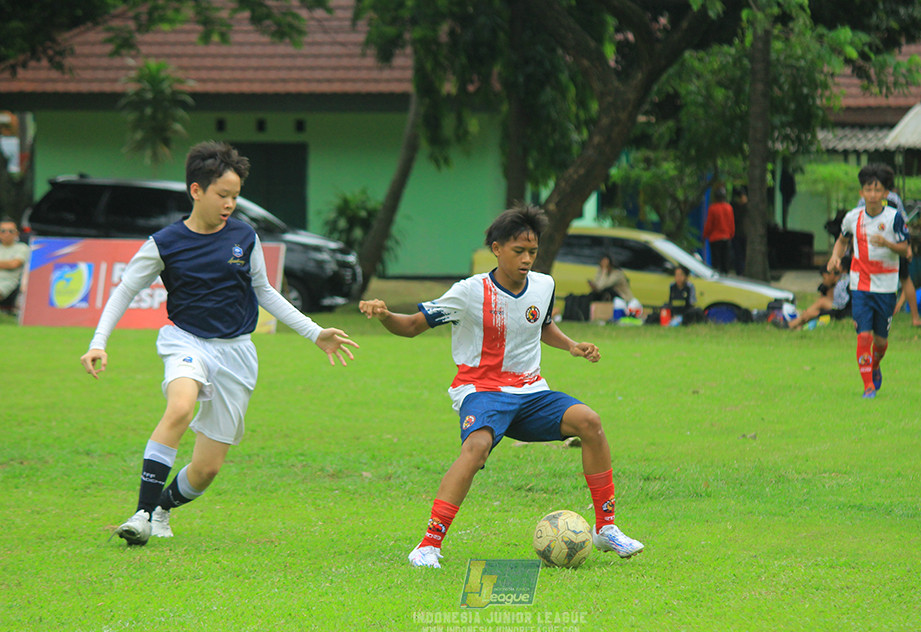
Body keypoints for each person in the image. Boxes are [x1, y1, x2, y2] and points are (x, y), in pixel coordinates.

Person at [80, 141, 359, 546]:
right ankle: (140, 514)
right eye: (222, 195)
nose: (230, 204)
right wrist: (99, 342)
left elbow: (265, 291)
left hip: (237, 353)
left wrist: (316, 333)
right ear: (197, 191)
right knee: (179, 407)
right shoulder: (165, 242)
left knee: (207, 468)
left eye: (235, 196)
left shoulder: (245, 236)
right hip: (186, 340)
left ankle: (161, 507)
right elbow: (124, 290)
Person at [359, 204, 644, 568]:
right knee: (475, 451)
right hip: (482, 391)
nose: (527, 259)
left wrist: (571, 345)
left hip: (532, 392)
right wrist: (385, 316)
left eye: (532, 252)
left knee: (589, 422)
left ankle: (606, 528)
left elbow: (541, 326)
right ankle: (428, 545)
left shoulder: (544, 285)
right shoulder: (469, 292)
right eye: (518, 251)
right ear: (496, 248)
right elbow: (412, 325)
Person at [827, 163, 910, 398]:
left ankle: (875, 364)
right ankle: (868, 386)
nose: (872, 195)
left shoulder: (894, 219)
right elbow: (843, 241)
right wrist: (835, 256)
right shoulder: (852, 218)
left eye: (877, 190)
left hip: (886, 288)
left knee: (881, 343)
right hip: (861, 286)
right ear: (861, 193)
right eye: (868, 190)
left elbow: (906, 248)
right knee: (863, 336)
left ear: (885, 193)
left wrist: (888, 244)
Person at [854, 179, 921, 327]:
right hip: (878, 247)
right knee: (901, 280)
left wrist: (907, 246)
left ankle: (914, 317)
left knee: (904, 278)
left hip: (891, 247)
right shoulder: (887, 198)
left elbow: (902, 223)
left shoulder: (888, 198)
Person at [788, 259, 850, 330]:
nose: (823, 281)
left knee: (821, 302)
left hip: (845, 313)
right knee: (820, 303)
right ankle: (798, 323)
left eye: (824, 278)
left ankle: (795, 323)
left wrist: (819, 313)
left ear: (832, 274)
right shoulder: (843, 281)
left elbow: (841, 310)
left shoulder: (841, 284)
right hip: (842, 311)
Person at [0, 217, 30, 315]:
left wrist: (7, 264)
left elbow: (14, 264)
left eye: (11, 231)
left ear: (17, 233)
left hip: (7, 282)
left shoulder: (22, 248)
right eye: (3, 231)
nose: (7, 234)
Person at [703, 186, 735, 274]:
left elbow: (709, 224)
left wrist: (705, 235)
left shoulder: (713, 208)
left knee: (716, 264)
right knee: (725, 262)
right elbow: (731, 223)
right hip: (726, 238)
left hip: (715, 239)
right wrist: (731, 234)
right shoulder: (729, 208)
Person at [731, 185, 749, 275]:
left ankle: (742, 271)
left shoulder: (747, 207)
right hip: (737, 234)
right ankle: (740, 271)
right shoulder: (735, 207)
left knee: (743, 255)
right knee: (738, 255)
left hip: (744, 234)